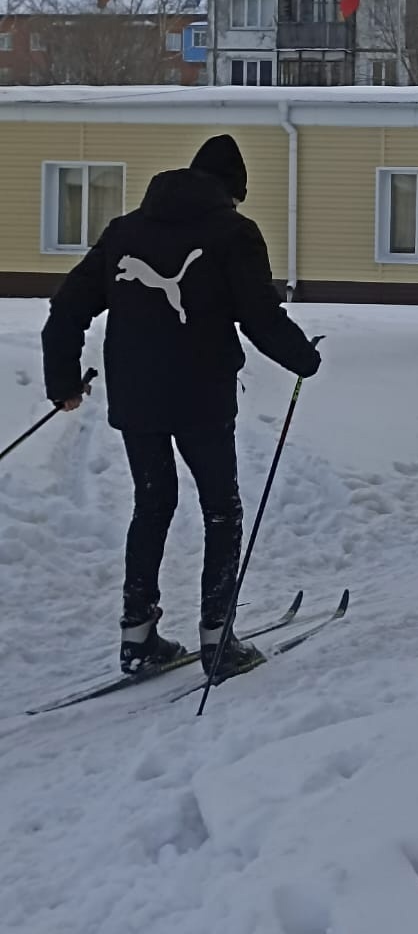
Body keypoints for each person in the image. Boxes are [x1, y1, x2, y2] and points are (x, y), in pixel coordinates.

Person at [42, 134, 322, 679]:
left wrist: (63, 383)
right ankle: (219, 640)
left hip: (136, 398)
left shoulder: (125, 231)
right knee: (222, 509)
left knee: (152, 506)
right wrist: (303, 360)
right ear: (232, 190)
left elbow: (66, 309)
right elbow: (259, 317)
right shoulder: (234, 233)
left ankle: (138, 638)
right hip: (202, 398)